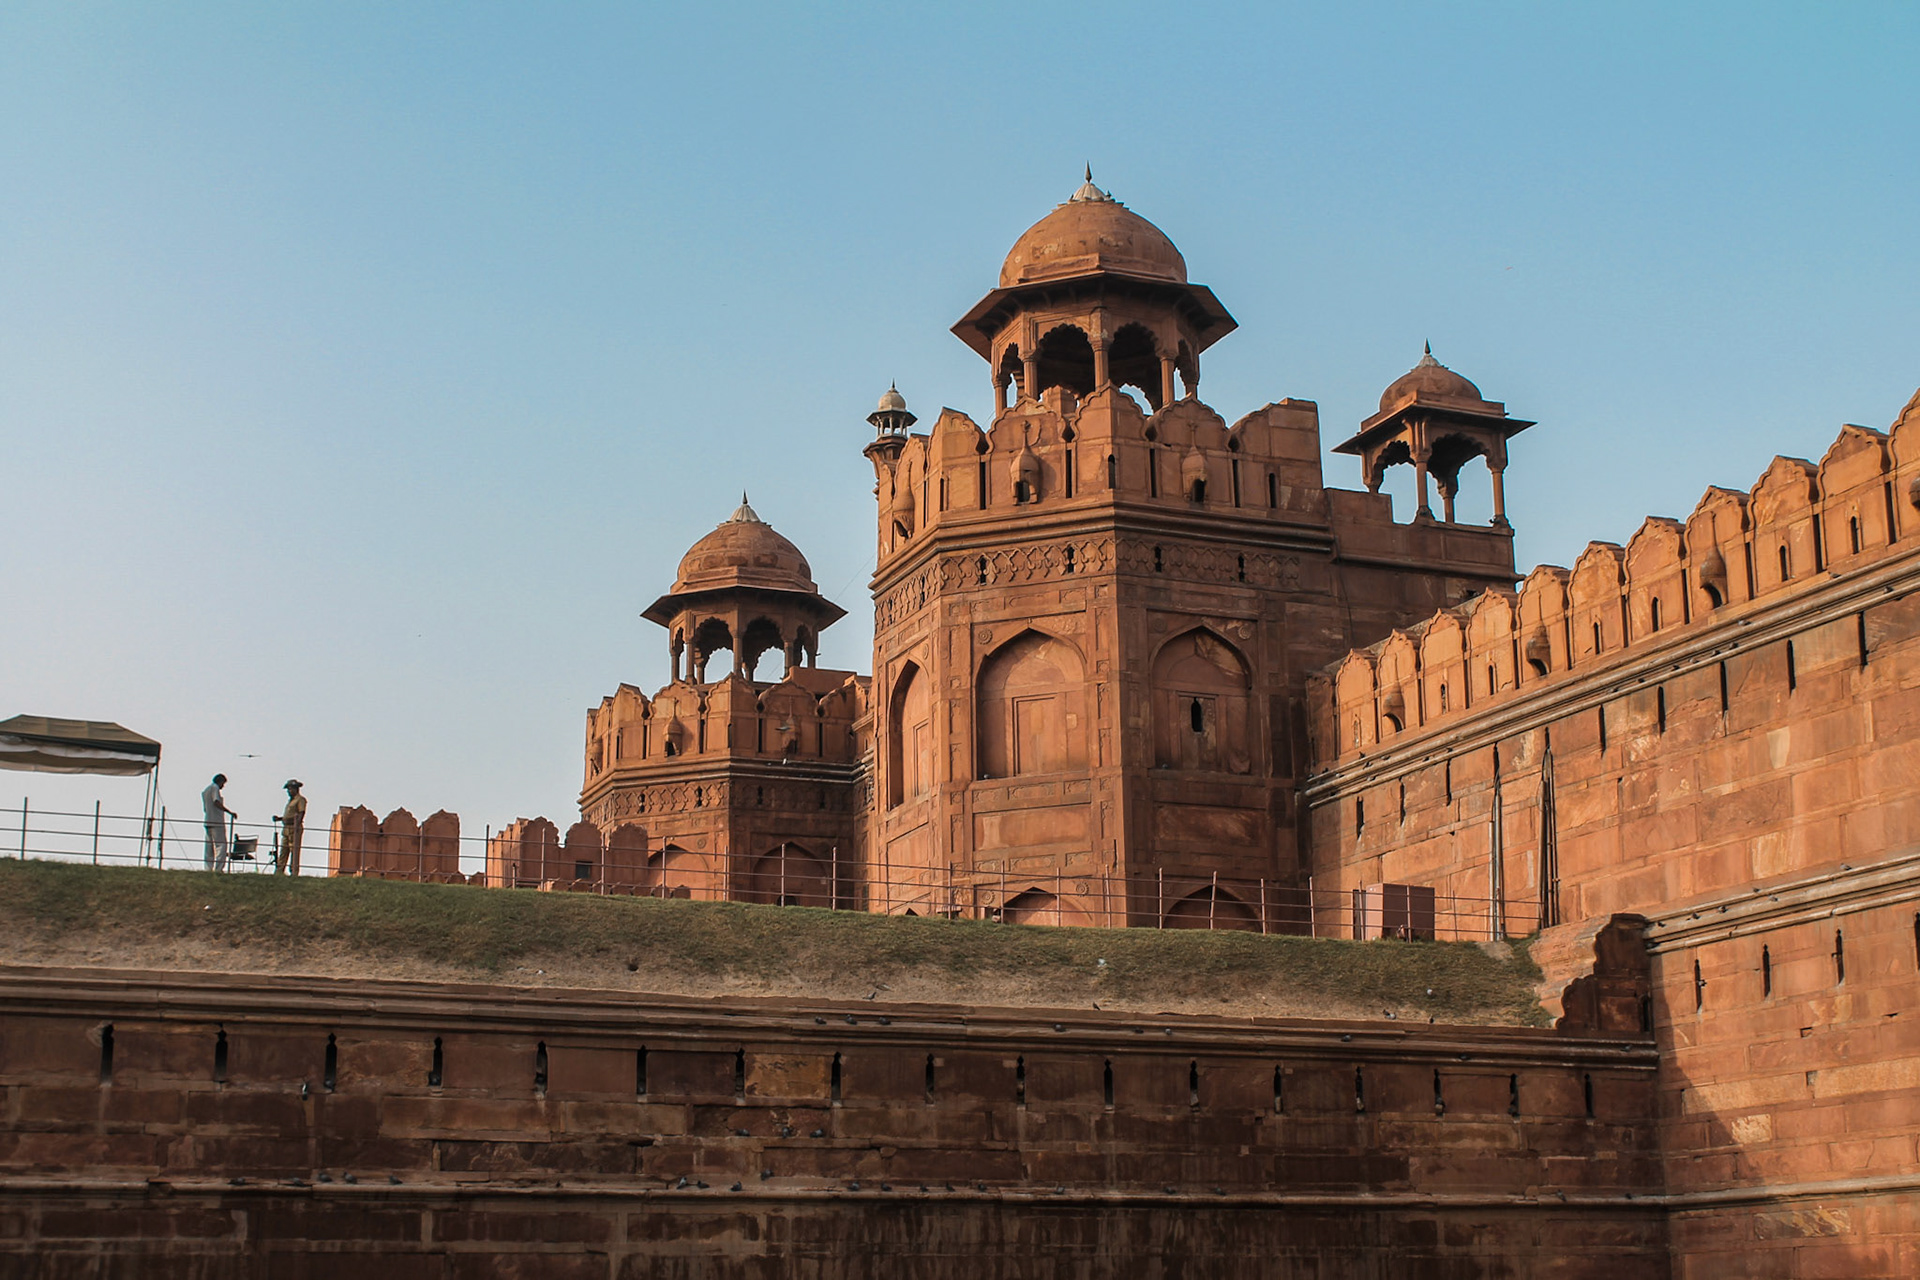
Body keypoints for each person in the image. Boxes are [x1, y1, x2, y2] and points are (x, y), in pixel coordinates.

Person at [201, 774, 236, 872]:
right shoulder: (214, 788)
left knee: (209, 847)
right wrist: (229, 811)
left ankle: (208, 868)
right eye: (223, 783)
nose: (223, 786)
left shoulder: (206, 791)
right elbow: (216, 801)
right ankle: (219, 868)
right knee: (221, 845)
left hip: (208, 820)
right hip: (217, 821)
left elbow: (205, 808)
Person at [275, 779, 306, 876]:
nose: (289, 791)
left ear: (296, 789)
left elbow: (301, 813)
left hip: (294, 827)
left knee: (294, 850)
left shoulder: (300, 800)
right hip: (286, 828)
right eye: (288, 789)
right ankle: (279, 870)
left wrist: (297, 825)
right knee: (283, 850)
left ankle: (294, 871)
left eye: (291, 789)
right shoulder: (290, 801)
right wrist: (280, 819)